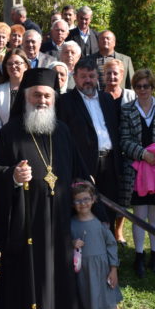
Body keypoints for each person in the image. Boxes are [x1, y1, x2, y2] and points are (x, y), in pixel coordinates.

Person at [0, 68, 84, 309]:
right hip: (26, 227)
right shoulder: (10, 133)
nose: (42, 101)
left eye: (47, 96)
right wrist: (14, 177)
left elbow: (80, 174)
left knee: (59, 287)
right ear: (26, 97)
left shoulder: (63, 132)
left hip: (59, 228)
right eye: (37, 95)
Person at [120, 68, 155, 276]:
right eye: (138, 86)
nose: (142, 90)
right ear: (134, 88)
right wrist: (143, 154)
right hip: (136, 169)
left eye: (146, 86)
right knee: (139, 215)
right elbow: (124, 141)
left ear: (152, 87)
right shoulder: (126, 110)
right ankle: (139, 257)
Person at [57, 60, 121, 227]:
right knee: (86, 205)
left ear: (97, 78)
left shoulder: (107, 99)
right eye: (83, 76)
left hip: (110, 161)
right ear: (75, 78)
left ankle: (108, 241)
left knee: (110, 205)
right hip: (83, 163)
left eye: (91, 76)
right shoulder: (64, 102)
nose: (88, 80)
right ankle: (86, 244)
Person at [71, 180, 123, 309]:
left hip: (102, 271)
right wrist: (71, 244)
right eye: (78, 200)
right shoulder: (70, 225)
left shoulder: (100, 224)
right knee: (84, 305)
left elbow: (111, 245)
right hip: (83, 272)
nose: (83, 203)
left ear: (93, 199)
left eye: (86, 199)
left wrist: (113, 269)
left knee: (108, 305)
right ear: (72, 203)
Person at [0, 48, 29, 128]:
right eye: (9, 64)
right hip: (4, 136)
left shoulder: (33, 88)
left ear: (25, 66)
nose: (13, 66)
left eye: (17, 63)